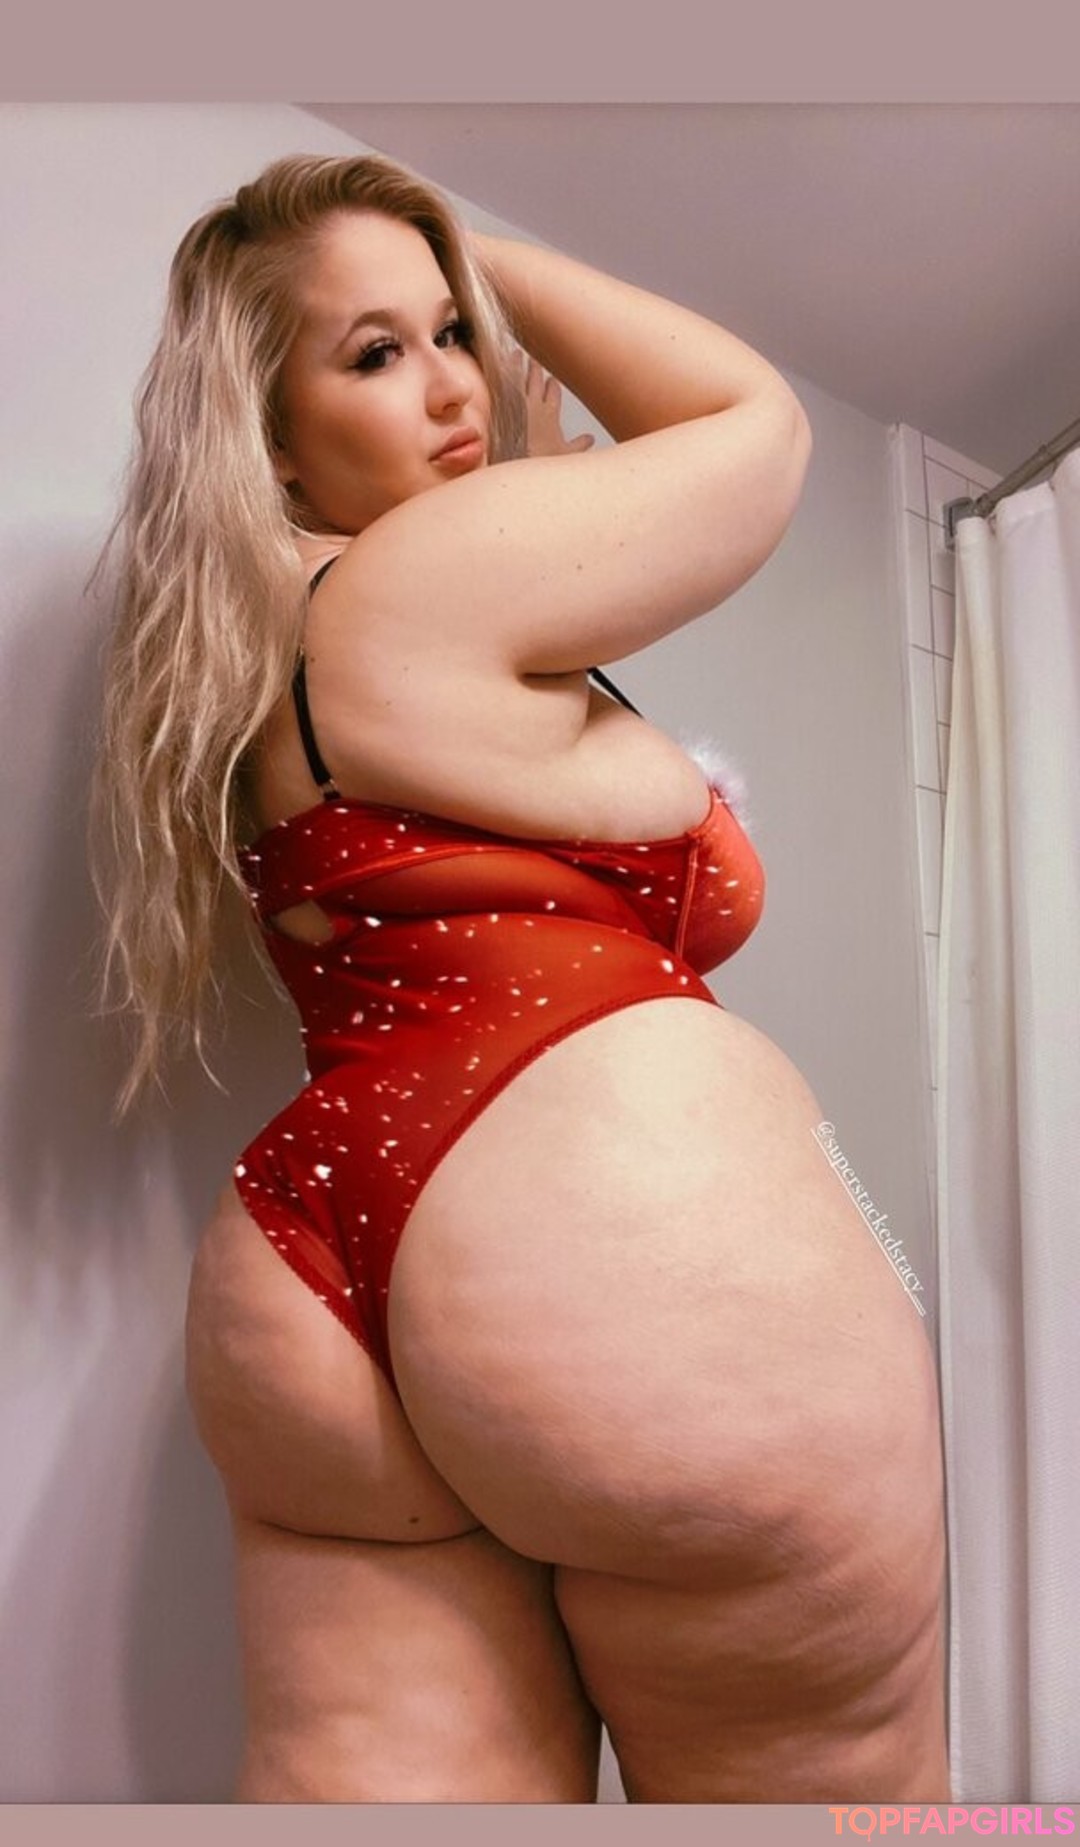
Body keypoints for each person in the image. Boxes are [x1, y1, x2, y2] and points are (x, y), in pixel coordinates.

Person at [92, 151, 951, 1804]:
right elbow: (750, 427)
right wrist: (481, 255)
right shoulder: (414, 584)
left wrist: (459, 374)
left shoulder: (262, 653)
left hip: (308, 1275)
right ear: (271, 441)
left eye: (452, 333)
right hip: (608, 1248)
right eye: (375, 352)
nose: (453, 384)